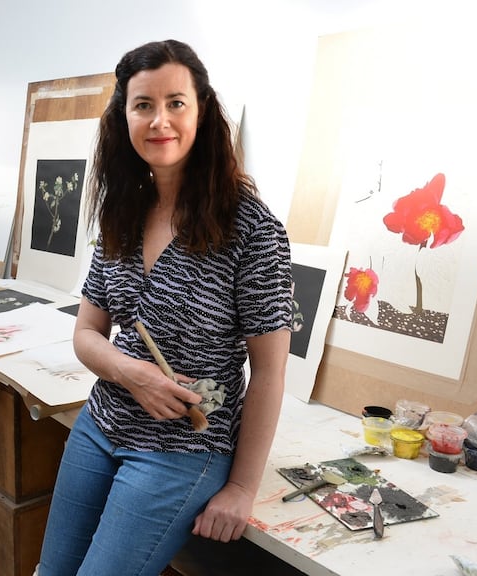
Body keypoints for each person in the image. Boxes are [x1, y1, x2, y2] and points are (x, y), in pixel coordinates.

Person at [37, 40, 293, 576]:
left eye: (176, 103)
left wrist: (242, 487)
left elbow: (269, 372)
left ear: (202, 111)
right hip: (100, 423)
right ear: (123, 116)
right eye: (143, 105)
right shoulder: (123, 211)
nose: (160, 121)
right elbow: (87, 332)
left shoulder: (251, 229)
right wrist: (130, 373)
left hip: (183, 448)